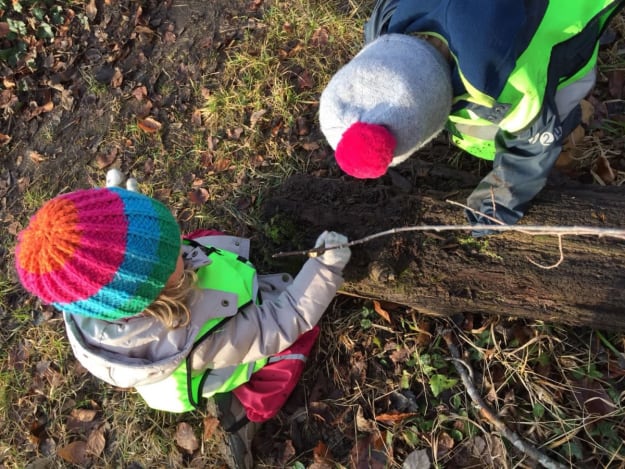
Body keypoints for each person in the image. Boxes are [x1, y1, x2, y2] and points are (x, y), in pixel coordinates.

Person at [14, 171, 351, 468]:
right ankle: (250, 410)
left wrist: (121, 206)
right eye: (174, 250)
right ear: (152, 294)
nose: (181, 242)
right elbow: (278, 323)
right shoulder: (197, 339)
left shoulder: (91, 292)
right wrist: (324, 269)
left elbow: (102, 249)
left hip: (186, 302)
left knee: (204, 238)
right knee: (291, 344)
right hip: (223, 355)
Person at [319, 0, 625, 233]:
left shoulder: (509, 82)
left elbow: (533, 144)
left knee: (562, 97)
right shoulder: (385, 21)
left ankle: (571, 134)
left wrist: (497, 204)